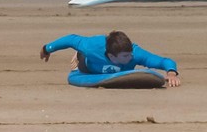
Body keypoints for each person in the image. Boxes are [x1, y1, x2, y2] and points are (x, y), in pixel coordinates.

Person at [40, 30, 180, 87]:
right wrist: (47, 48)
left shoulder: (135, 54)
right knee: (81, 55)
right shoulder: (91, 47)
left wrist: (171, 72)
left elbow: (164, 61)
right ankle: (77, 57)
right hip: (86, 66)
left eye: (130, 53)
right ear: (112, 56)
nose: (130, 58)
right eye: (125, 56)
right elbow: (71, 39)